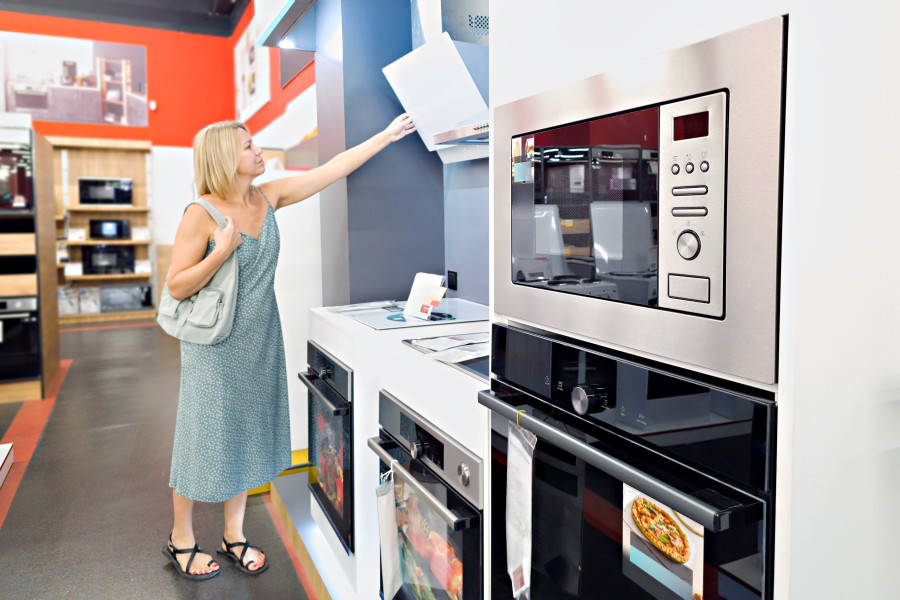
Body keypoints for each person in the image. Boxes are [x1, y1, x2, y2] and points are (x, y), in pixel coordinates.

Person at [162, 113, 416, 580]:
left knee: (246, 433)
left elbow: (333, 169)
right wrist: (221, 252)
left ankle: (233, 534)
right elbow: (177, 285)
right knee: (203, 438)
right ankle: (181, 539)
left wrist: (386, 135)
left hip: (261, 338)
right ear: (225, 158)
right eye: (248, 146)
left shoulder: (267, 196)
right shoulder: (201, 213)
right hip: (215, 346)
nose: (258, 150)